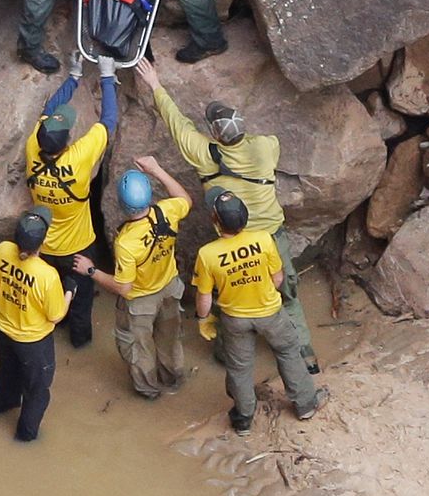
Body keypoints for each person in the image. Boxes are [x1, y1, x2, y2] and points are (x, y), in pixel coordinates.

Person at [134, 57, 320, 375]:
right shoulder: (264, 147)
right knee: (286, 294)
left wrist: (155, 85)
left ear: (215, 136)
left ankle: (225, 354)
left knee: (229, 298)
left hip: (231, 239)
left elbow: (178, 126)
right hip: (272, 236)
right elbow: (270, 142)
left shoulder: (207, 155)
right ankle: (306, 357)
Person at [193, 188, 329, 435]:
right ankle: (306, 405)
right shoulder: (264, 239)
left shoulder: (207, 254)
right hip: (270, 313)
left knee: (239, 367)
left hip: (235, 318)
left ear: (215, 221)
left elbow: (203, 296)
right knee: (288, 353)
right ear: (245, 217)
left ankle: (243, 419)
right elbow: (277, 279)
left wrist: (204, 319)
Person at [74, 156, 191, 399]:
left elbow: (124, 288)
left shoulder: (127, 242)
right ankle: (173, 382)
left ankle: (149, 391)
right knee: (169, 340)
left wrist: (91, 271)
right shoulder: (167, 212)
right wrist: (157, 169)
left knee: (139, 348)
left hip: (141, 301)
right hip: (169, 287)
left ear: (121, 204)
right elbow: (185, 199)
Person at [25, 52, 118, 348]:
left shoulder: (31, 149)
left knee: (53, 293)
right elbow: (109, 120)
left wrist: (73, 77)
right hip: (79, 249)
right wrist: (106, 75)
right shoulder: (78, 159)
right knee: (81, 299)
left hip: (44, 246)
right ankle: (80, 343)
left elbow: (49, 109)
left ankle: (55, 324)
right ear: (67, 142)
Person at [0, 206, 76, 442]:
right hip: (33, 342)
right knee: (37, 391)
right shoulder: (47, 275)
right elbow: (56, 316)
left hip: (3, 331)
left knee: (7, 371)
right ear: (42, 242)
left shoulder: (2, 250)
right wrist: (69, 292)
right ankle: (25, 436)